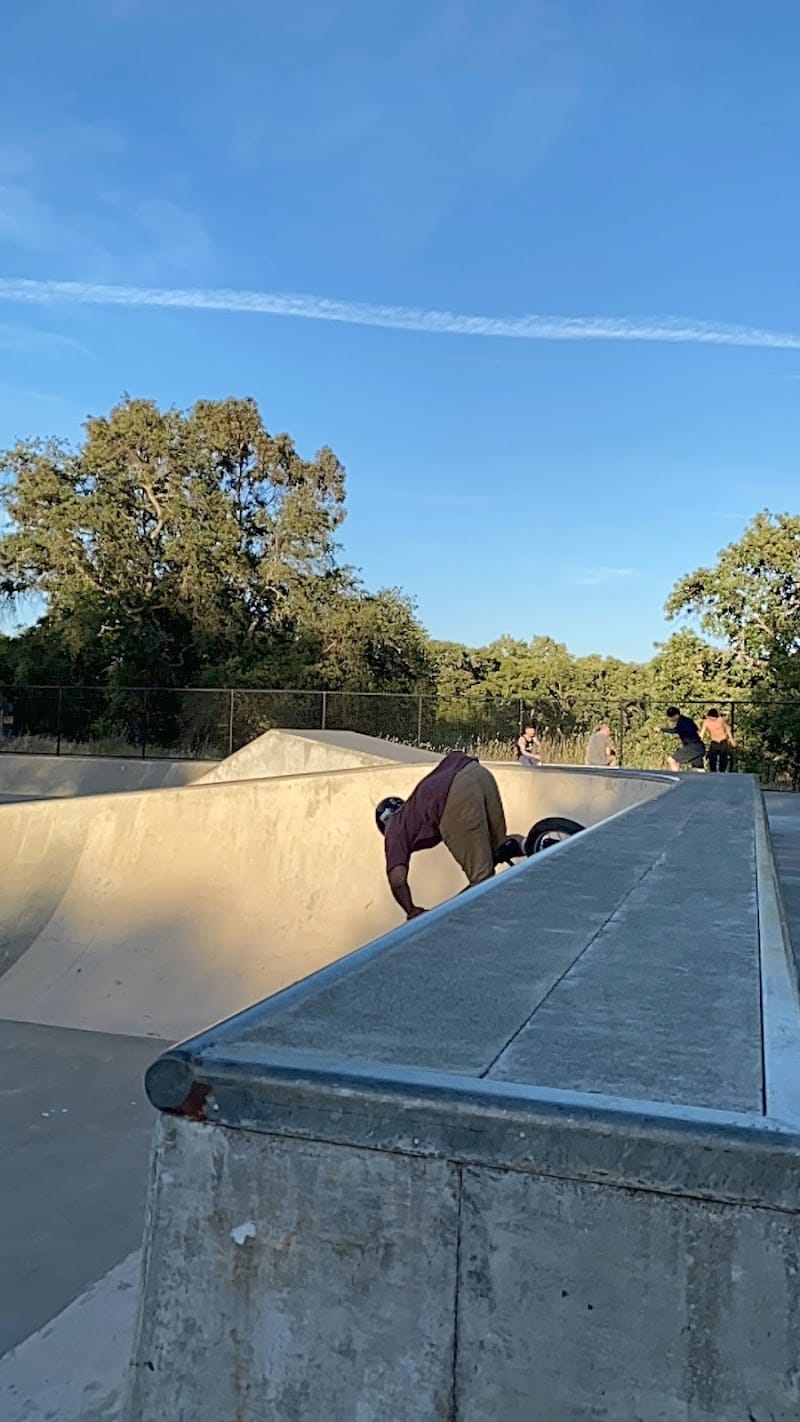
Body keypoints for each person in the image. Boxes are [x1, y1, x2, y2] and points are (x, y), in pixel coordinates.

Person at [375, 751, 523, 920]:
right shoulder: (413, 808)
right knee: (502, 848)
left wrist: (411, 910)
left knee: (482, 879)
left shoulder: (394, 828)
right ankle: (538, 843)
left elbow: (397, 880)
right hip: (476, 771)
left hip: (452, 796)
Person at [661, 706, 705, 771]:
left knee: (672, 759)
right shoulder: (688, 720)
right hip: (700, 747)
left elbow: (674, 730)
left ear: (676, 716)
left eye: (671, 717)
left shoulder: (682, 722)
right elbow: (695, 729)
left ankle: (678, 778)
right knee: (698, 770)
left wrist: (661, 729)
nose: (670, 719)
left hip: (693, 747)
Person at [700, 707, 736, 773]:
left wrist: (732, 740)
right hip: (714, 742)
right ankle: (713, 773)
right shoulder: (706, 722)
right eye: (711, 718)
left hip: (723, 741)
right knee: (712, 759)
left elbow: (728, 729)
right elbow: (702, 733)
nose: (712, 720)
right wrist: (699, 741)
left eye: (714, 718)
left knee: (723, 759)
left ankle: (722, 772)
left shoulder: (720, 720)